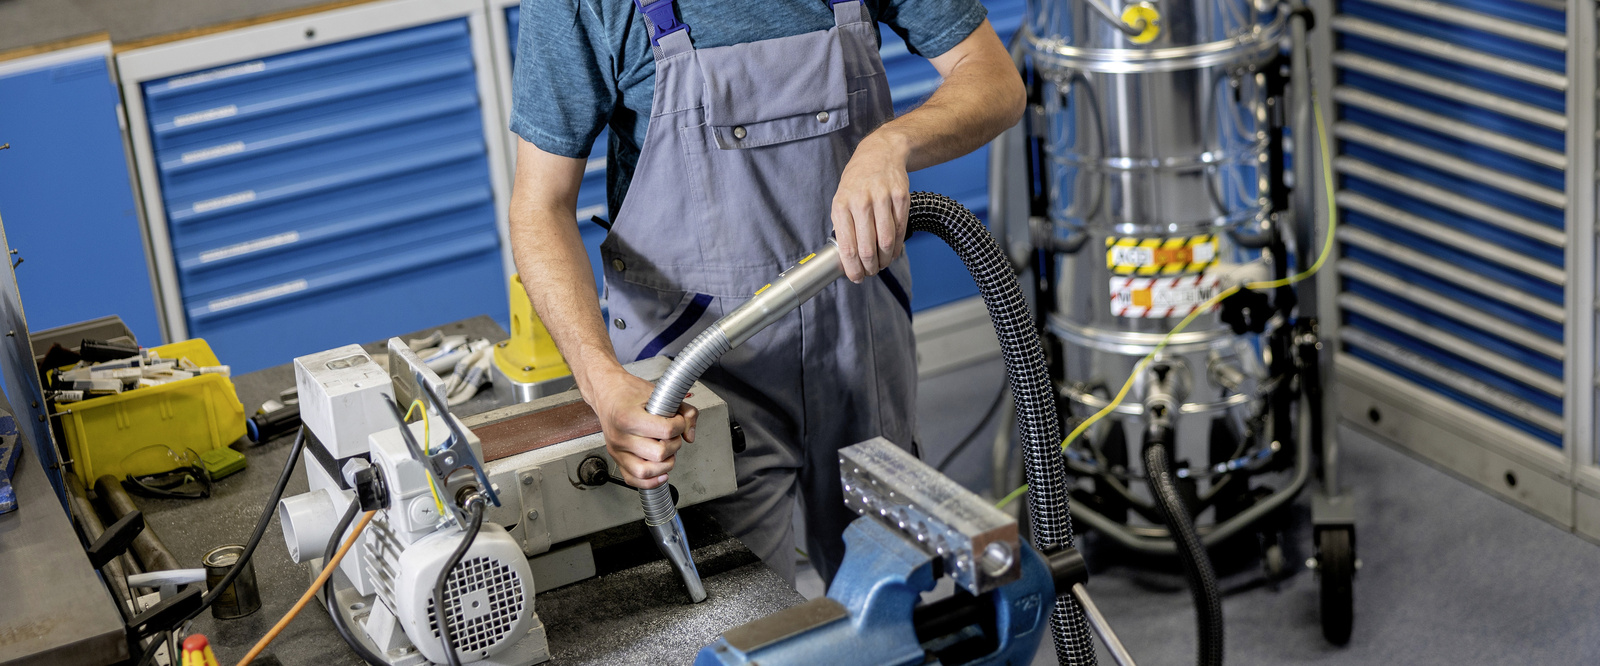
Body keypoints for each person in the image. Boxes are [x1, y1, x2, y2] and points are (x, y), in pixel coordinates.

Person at [506, 0, 1024, 585]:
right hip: (699, 383)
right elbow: (539, 206)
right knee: (744, 610)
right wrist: (601, 383)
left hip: (861, 344)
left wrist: (894, 142)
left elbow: (994, 78)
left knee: (890, 595)